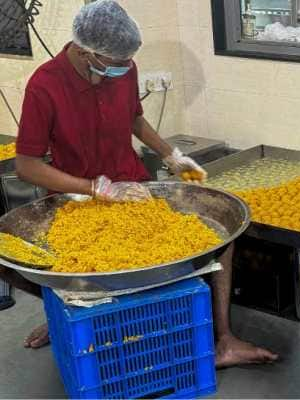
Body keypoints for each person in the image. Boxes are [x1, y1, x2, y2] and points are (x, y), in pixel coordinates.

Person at [0, 0, 277, 367]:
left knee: (219, 241)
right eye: (114, 65)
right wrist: (95, 189)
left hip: (133, 188)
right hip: (78, 202)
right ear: (85, 53)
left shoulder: (122, 68)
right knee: (31, 267)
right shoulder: (45, 85)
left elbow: (134, 119)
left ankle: (223, 340)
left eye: (126, 63)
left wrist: (171, 156)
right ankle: (62, 313)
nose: (123, 71)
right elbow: (27, 166)